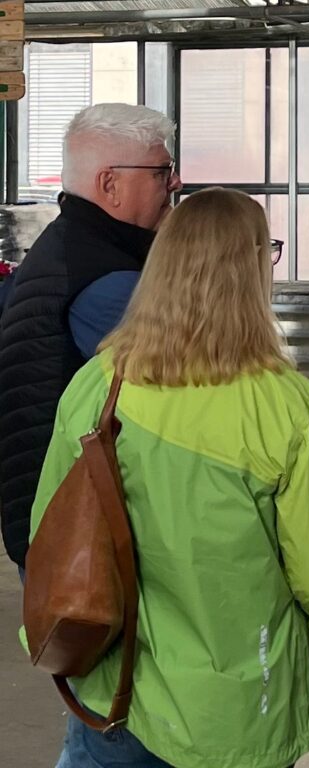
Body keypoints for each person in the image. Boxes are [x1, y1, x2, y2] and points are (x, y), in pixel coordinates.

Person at [30, 188, 309, 768]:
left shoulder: (97, 385)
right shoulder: (289, 407)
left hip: (114, 695)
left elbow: (50, 536)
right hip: (237, 714)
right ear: (250, 272)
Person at [0, 103, 182, 572]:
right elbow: (175, 398)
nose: (176, 183)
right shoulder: (107, 279)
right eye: (163, 172)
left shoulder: (71, 247)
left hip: (55, 512)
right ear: (109, 183)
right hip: (80, 531)